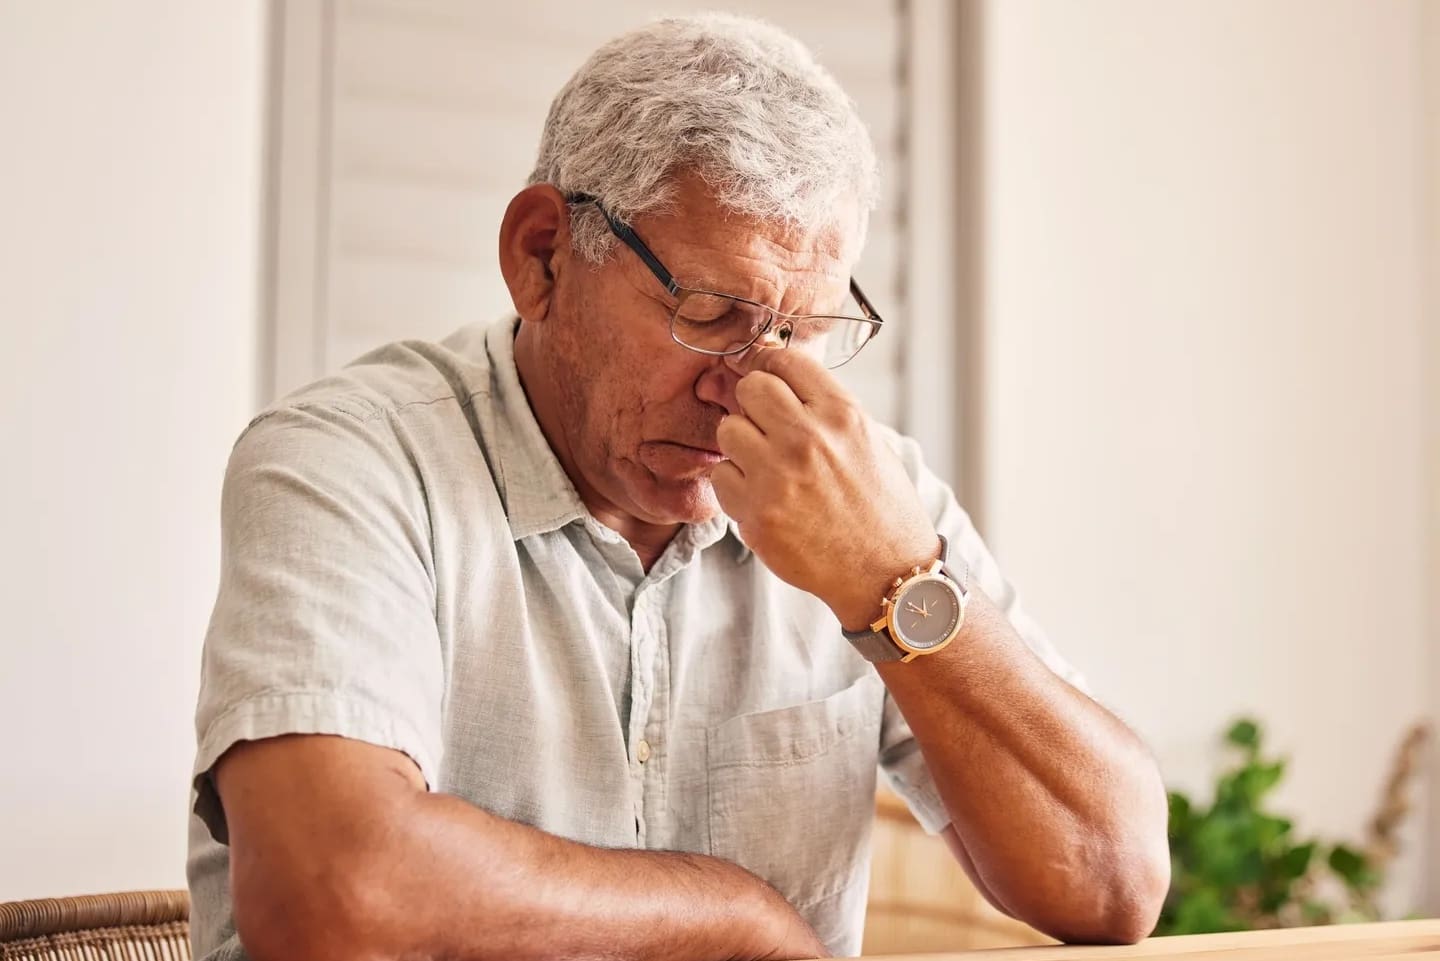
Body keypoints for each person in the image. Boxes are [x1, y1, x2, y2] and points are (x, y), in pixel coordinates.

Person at [187, 13, 1169, 961]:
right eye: (710, 312)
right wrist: (730, 916)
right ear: (542, 258)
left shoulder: (866, 497)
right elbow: (330, 892)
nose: (750, 384)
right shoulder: (348, 461)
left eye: (802, 329)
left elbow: (1114, 881)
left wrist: (892, 583)